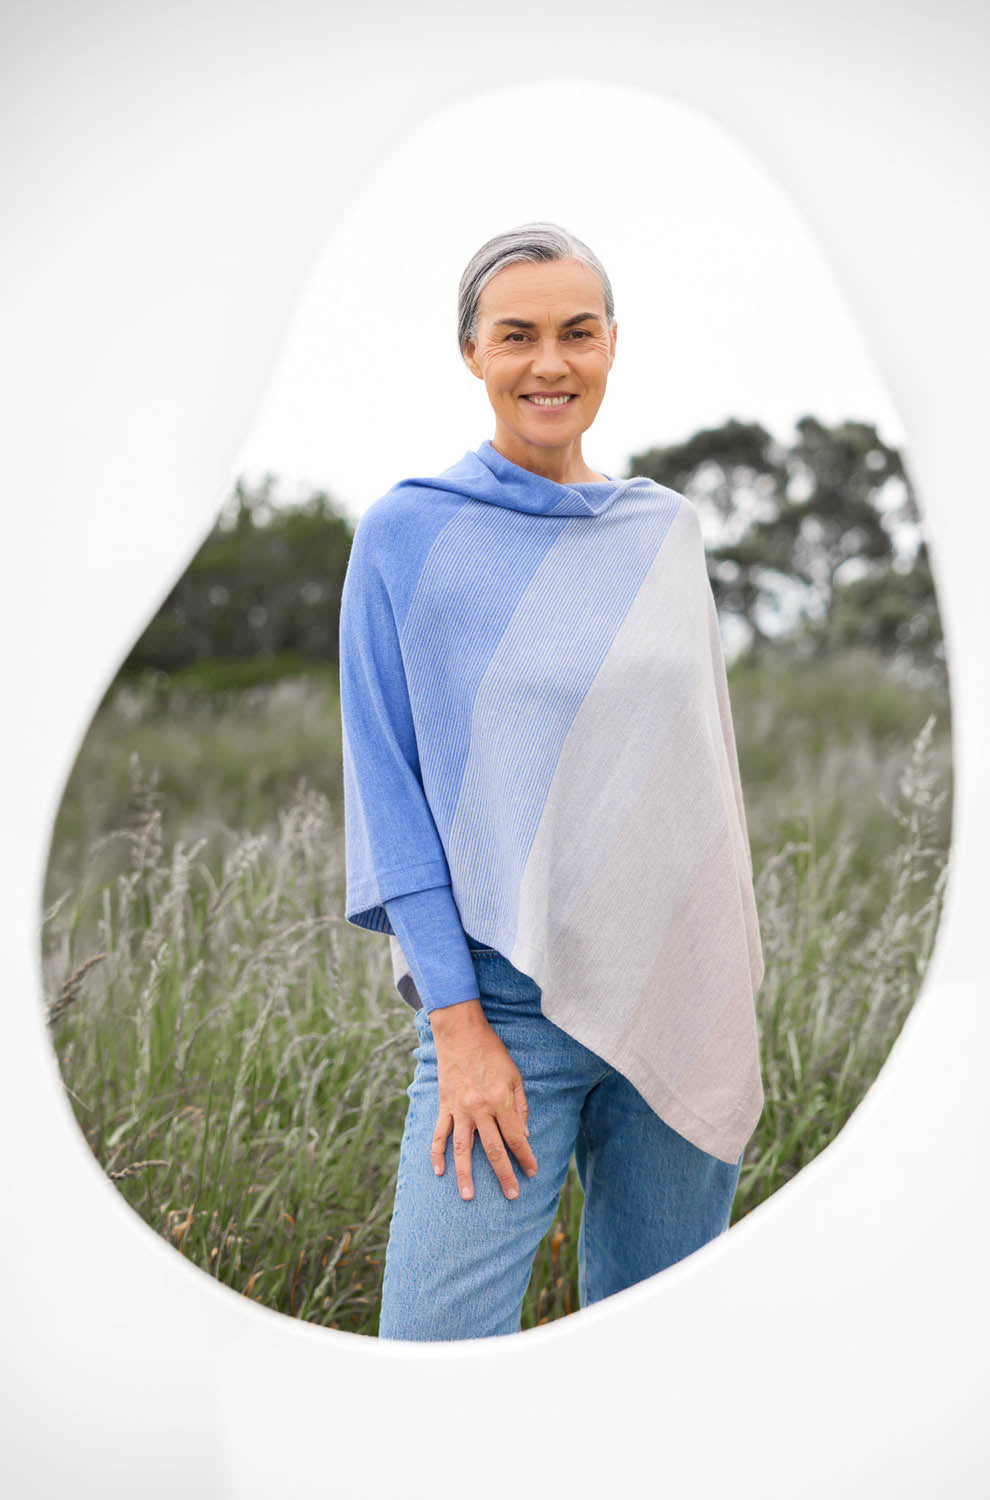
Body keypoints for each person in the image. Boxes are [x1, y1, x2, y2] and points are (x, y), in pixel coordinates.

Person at [337, 222, 766, 1341]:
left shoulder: (663, 534)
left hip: (678, 989)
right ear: (472, 354)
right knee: (431, 1356)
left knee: (652, 1356)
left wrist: (727, 983)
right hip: (500, 1009)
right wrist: (460, 1027)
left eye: (577, 333)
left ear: (612, 344)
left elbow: (696, 780)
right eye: (516, 335)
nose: (549, 364)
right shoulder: (405, 536)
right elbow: (393, 797)